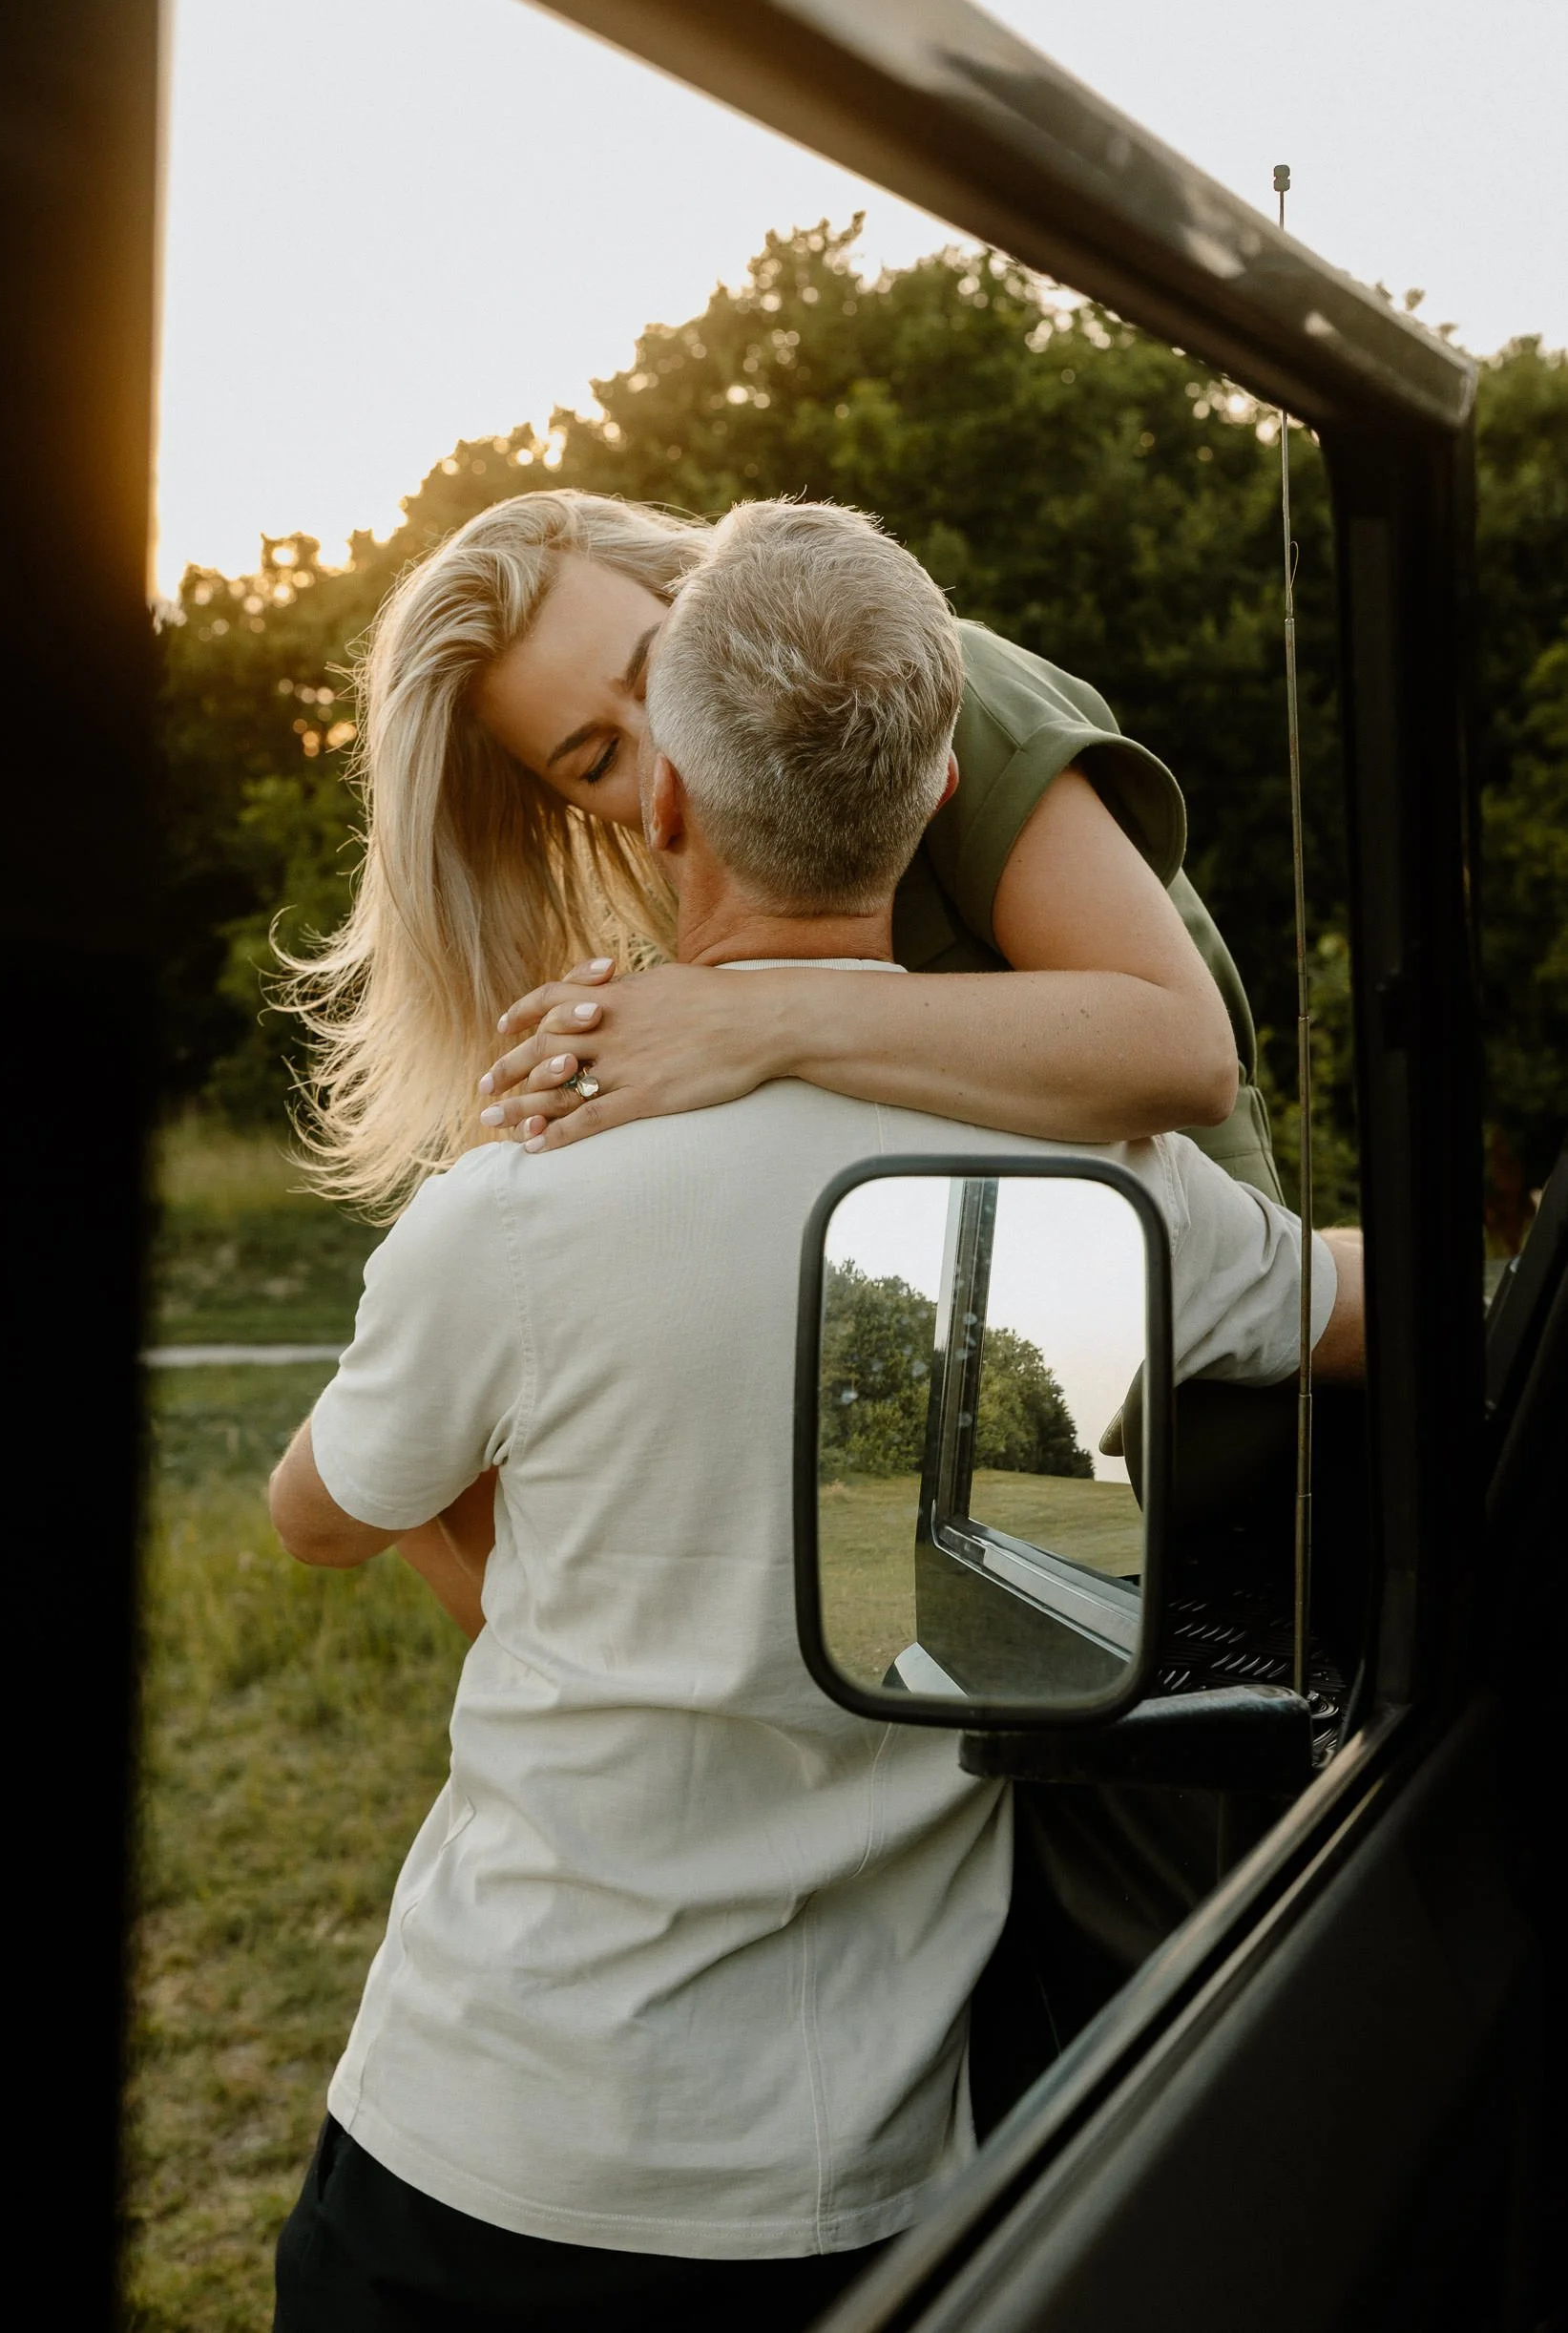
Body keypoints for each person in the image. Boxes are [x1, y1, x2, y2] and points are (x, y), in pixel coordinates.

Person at [267, 500, 1362, 2330]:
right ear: (924, 791)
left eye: (639, 714)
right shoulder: (1088, 1194)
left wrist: (734, 1042)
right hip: (844, 2184)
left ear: (691, 776)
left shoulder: (530, 1200)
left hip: (485, 2126)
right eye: (587, 757)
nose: (634, 775)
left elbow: (325, 1511)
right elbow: (1352, 1301)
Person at [278, 488, 1273, 1227]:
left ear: (695, 598)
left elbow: (1182, 1052)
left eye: (658, 665)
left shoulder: (910, 690)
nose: (668, 747)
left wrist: (755, 1018)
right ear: (566, 812)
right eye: (601, 757)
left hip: (1203, 1336)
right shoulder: (700, 893)